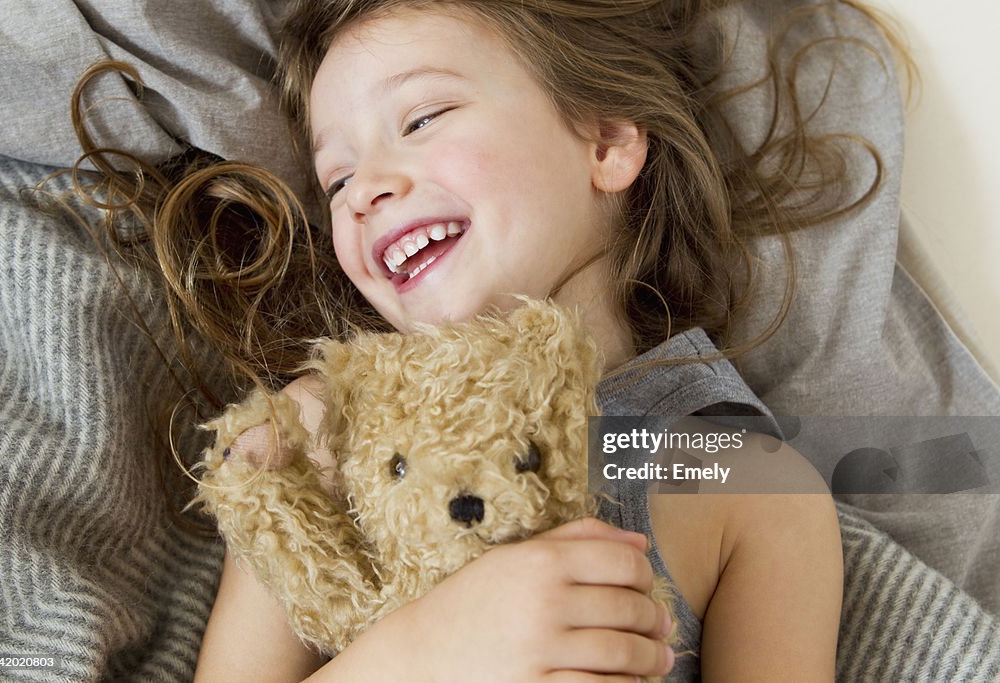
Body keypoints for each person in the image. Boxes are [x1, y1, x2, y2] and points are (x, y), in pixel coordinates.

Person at [185, 1, 863, 681]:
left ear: (605, 140)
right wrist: (422, 651)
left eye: (421, 119)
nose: (362, 190)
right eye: (336, 179)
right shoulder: (316, 436)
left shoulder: (752, 484)